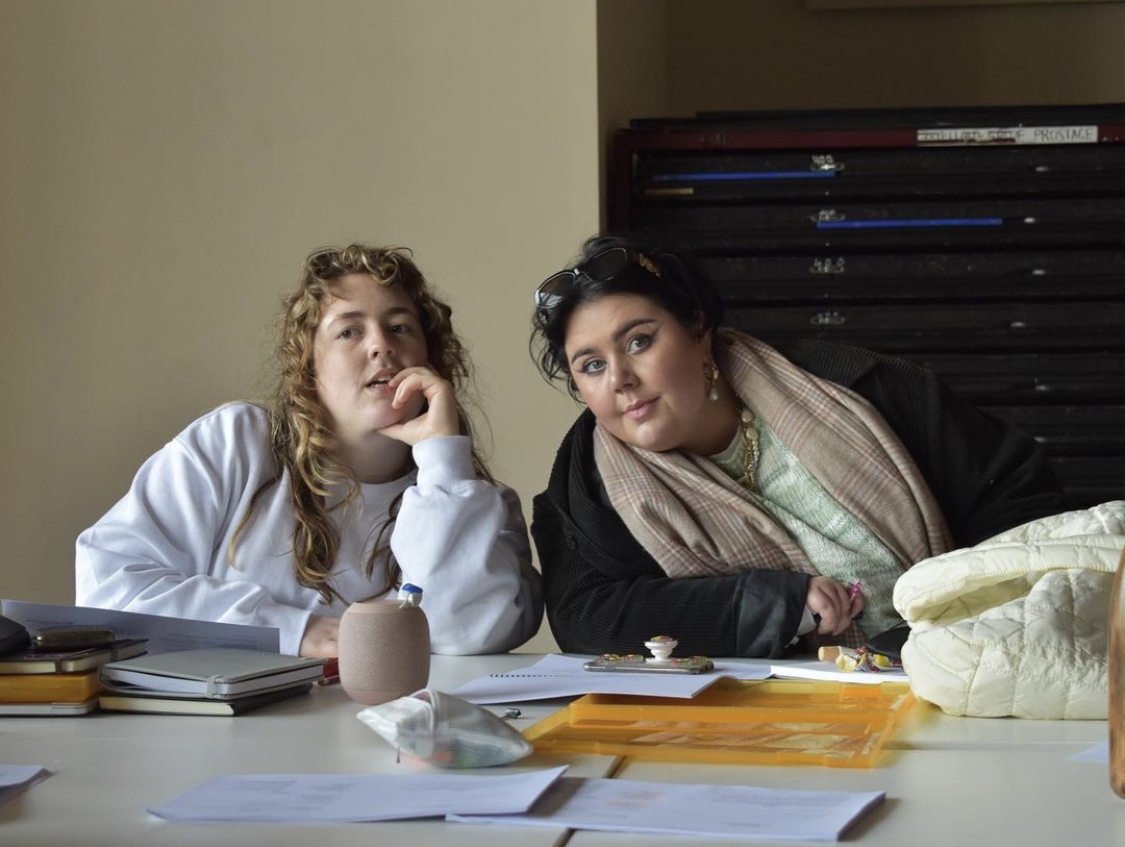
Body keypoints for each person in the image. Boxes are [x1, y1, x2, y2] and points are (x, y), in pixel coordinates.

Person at [529, 234, 1062, 658]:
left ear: (696, 326)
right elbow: (587, 621)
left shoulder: (860, 390)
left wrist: (967, 628)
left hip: (967, 673)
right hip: (770, 724)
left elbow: (1024, 505)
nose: (619, 378)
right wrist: (774, 604)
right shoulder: (582, 489)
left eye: (639, 341)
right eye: (591, 365)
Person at [77, 244, 542, 658]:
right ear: (309, 366)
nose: (381, 345)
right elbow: (107, 585)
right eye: (349, 332)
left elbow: (469, 635)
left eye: (400, 327)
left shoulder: (471, 498)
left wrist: (442, 461)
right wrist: (294, 630)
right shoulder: (235, 442)